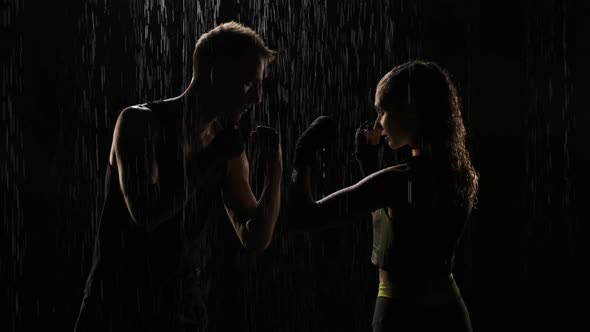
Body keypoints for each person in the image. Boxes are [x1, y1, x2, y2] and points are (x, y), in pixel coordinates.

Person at [74, 22, 282, 332]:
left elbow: (255, 237)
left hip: (182, 310)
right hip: (116, 304)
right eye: (250, 82)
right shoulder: (140, 123)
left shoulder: (227, 149)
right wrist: (210, 158)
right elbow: (146, 214)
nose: (257, 98)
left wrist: (275, 168)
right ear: (216, 73)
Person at [288, 60, 479, 331]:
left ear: (410, 112)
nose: (378, 122)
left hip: (401, 315)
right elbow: (405, 235)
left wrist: (302, 154)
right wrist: (370, 168)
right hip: (450, 313)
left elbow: (303, 216)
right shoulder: (461, 174)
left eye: (382, 111)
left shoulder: (400, 180)